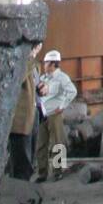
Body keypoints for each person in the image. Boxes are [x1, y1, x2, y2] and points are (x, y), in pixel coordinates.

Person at [35, 49, 77, 182]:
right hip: (43, 115)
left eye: (46, 62)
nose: (44, 64)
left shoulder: (62, 78)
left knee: (57, 143)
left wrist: (62, 106)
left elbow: (72, 91)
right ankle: (42, 173)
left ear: (53, 64)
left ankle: (58, 171)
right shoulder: (43, 78)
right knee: (41, 144)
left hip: (54, 115)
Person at [7, 47, 41, 180]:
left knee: (29, 164)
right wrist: (30, 57)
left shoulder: (32, 63)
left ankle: (24, 194)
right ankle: (19, 196)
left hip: (33, 116)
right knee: (21, 166)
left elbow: (32, 83)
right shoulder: (18, 60)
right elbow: (17, 79)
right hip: (20, 123)